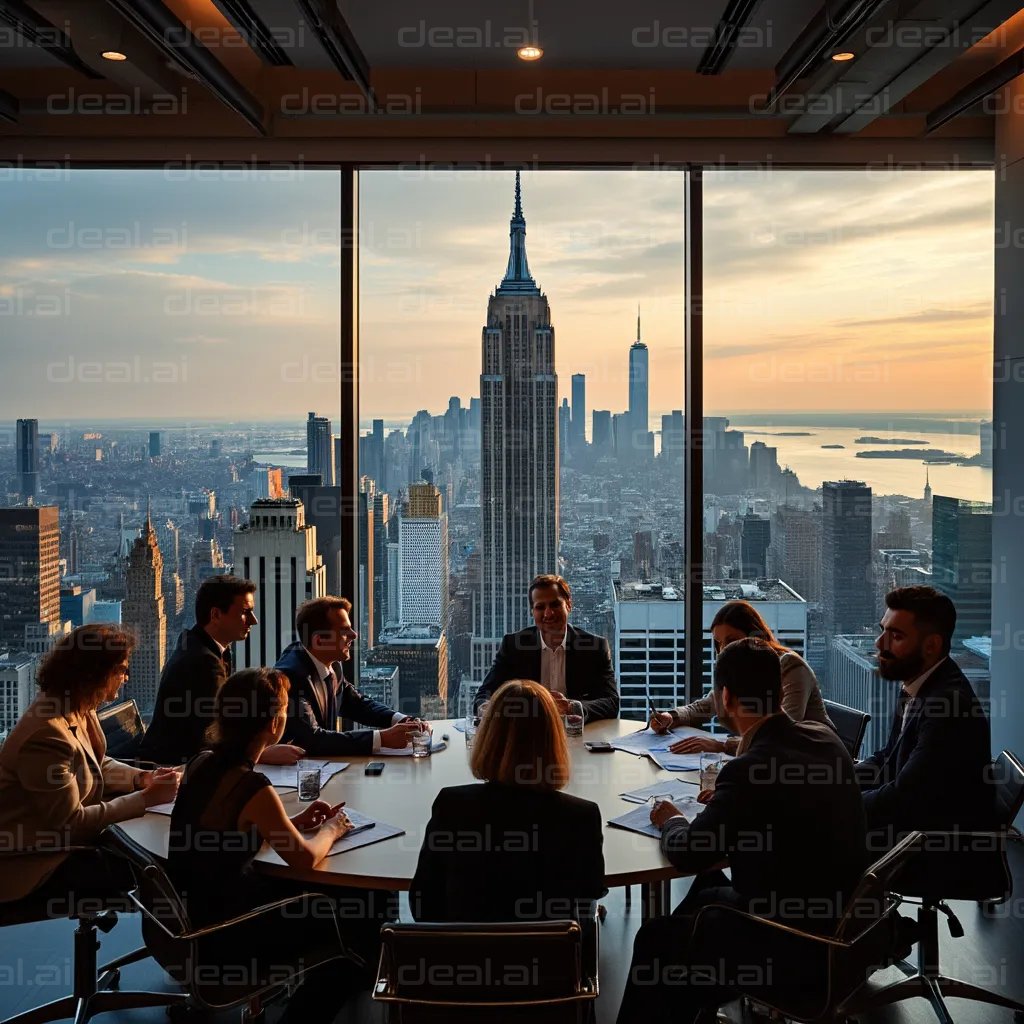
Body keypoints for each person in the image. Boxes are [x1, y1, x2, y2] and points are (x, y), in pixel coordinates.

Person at [618, 639, 867, 1023]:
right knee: (707, 884)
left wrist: (671, 819)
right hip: (842, 927)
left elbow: (687, 853)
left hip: (789, 943)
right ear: (778, 694)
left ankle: (686, 989)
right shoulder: (826, 741)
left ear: (726, 698)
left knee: (654, 939)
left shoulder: (748, 770)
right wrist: (727, 804)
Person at [168, 667, 362, 1023]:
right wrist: (332, 829)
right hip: (227, 935)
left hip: (187, 922)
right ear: (274, 724)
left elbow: (224, 836)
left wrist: (291, 824)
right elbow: (305, 859)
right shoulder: (252, 786)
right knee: (353, 933)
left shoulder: (200, 763)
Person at [0, 624, 180, 904]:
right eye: (121, 670)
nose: (126, 677)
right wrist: (146, 799)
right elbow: (71, 824)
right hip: (35, 862)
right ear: (94, 673)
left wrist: (141, 779)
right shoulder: (45, 735)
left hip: (69, 843)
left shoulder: (77, 707)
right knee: (156, 866)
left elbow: (94, 763)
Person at [410, 679, 606, 922]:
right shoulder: (582, 816)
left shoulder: (452, 806)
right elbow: (590, 891)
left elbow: (422, 903)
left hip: (463, 946)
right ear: (554, 741)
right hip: (549, 947)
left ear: (488, 737)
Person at [858, 586, 994, 847]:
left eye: (896, 635)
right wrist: (836, 782)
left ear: (931, 645)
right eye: (882, 630)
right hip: (910, 833)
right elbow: (889, 757)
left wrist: (838, 804)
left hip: (934, 851)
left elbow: (905, 799)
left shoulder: (947, 707)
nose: (879, 643)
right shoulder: (918, 683)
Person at [140, 575, 302, 767]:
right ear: (216, 615)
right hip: (176, 768)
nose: (253, 621)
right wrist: (263, 752)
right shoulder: (203, 662)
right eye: (245, 612)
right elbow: (213, 733)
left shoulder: (200, 645)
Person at [650, 599, 833, 755]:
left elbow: (779, 734)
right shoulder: (738, 671)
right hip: (772, 759)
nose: (723, 650)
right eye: (719, 643)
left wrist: (722, 746)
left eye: (731, 640)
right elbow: (707, 705)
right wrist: (671, 717)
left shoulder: (790, 667)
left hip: (813, 760)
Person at [276, 596, 425, 756]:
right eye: (344, 631)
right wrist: (382, 739)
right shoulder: (290, 679)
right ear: (319, 641)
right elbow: (312, 739)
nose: (354, 635)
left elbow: (356, 703)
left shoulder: (331, 664)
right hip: (294, 769)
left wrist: (401, 720)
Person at [473, 574, 619, 722]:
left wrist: (571, 708)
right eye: (540, 607)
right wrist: (487, 710)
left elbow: (612, 702)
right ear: (532, 611)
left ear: (568, 605)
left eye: (555, 604)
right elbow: (484, 695)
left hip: (575, 732)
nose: (548, 613)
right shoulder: (513, 646)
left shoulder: (594, 647)